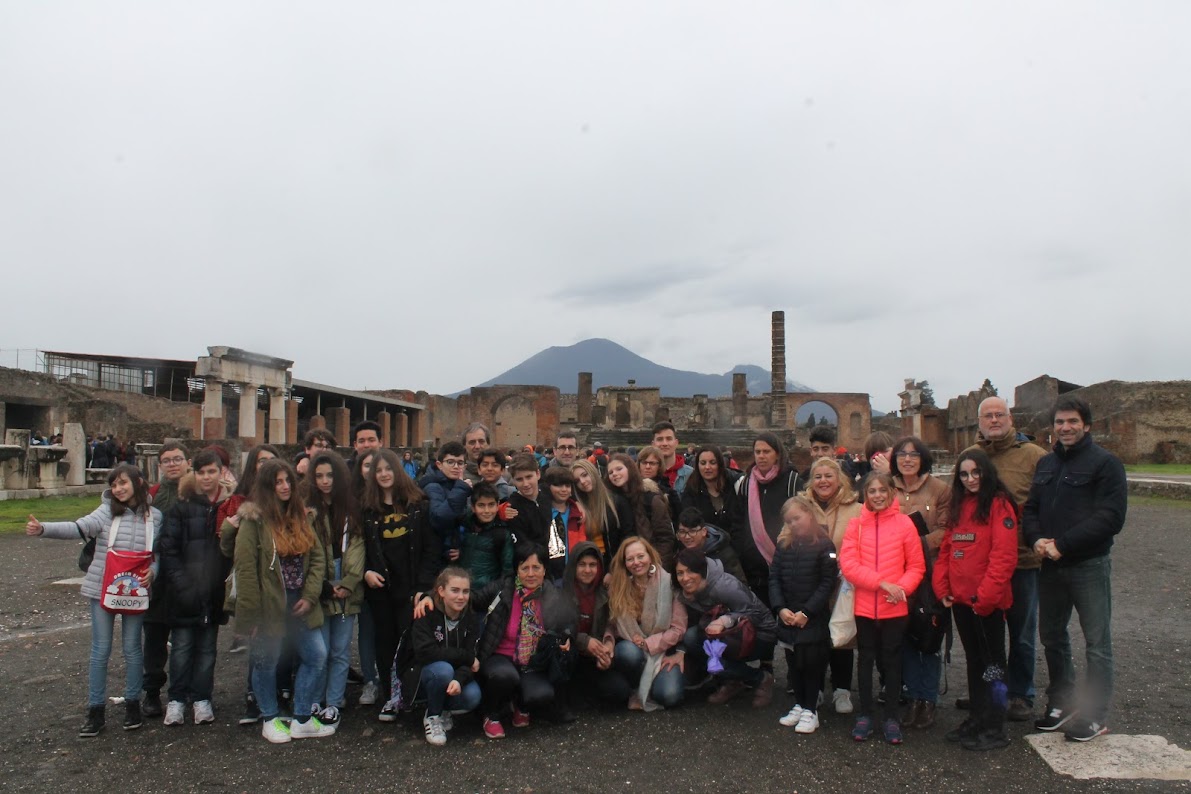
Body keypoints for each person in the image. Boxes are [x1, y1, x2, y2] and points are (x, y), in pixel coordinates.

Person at [27, 464, 163, 737]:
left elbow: (156, 553)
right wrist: (44, 528)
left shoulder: (155, 517)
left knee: (133, 648)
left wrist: (154, 571)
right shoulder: (105, 512)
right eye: (114, 485)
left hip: (135, 590)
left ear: (138, 482)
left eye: (123, 483)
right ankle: (95, 709)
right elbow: (78, 528)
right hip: (102, 587)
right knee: (101, 650)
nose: (118, 489)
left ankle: (133, 704)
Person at [1023, 395, 1127, 742]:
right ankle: (1062, 702)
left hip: (1088, 565)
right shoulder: (1046, 464)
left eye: (1072, 421)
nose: (1065, 428)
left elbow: (1110, 518)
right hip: (1051, 566)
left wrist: (1063, 544)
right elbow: (1032, 509)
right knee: (1052, 637)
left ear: (1087, 425)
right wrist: (1036, 539)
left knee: (1097, 643)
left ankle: (1095, 715)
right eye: (1059, 422)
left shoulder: (1106, 464)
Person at [228, 459, 332, 743]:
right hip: (268, 605)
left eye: (288, 481)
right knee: (266, 660)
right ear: (267, 486)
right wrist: (251, 616)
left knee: (316, 655)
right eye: (278, 482)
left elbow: (317, 558)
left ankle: (302, 719)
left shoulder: (301, 516)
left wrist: (310, 596)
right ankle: (270, 718)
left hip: (299, 601)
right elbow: (246, 570)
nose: (285, 487)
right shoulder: (254, 521)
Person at [963, 395, 1047, 721]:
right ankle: (988, 691)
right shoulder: (971, 456)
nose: (994, 420)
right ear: (979, 422)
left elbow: (1046, 504)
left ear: (1010, 419)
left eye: (1000, 414)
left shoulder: (1034, 456)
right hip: (981, 564)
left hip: (1022, 560)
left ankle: (1020, 693)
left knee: (1021, 632)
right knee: (984, 633)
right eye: (988, 416)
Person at [934, 449, 1018, 751]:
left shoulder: (999, 505)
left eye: (975, 473)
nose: (970, 479)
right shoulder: (961, 505)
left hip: (985, 603)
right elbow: (948, 548)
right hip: (961, 600)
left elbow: (1003, 556)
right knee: (974, 661)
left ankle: (995, 725)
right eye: (964, 474)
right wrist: (942, 586)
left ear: (986, 472)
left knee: (992, 665)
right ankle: (978, 717)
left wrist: (985, 598)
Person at [838, 471, 925, 745]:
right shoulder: (856, 525)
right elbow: (848, 564)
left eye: (882, 490)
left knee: (892, 661)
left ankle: (891, 716)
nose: (877, 496)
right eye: (872, 491)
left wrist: (901, 589)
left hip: (894, 606)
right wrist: (881, 583)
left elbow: (916, 566)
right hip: (864, 606)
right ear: (865, 495)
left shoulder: (905, 524)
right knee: (865, 660)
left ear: (892, 493)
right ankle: (865, 713)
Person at [360, 449, 440, 722]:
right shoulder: (367, 509)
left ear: (398, 471)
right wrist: (365, 572)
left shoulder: (417, 504)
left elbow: (430, 548)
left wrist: (423, 587)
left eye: (388, 469)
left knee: (411, 643)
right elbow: (360, 548)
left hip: (411, 588)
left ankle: (411, 693)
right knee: (385, 643)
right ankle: (390, 697)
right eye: (379, 470)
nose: (384, 474)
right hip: (381, 588)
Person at [472, 543, 578, 739]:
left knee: (541, 694)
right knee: (504, 676)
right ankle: (491, 714)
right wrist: (430, 597)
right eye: (524, 568)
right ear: (516, 570)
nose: (530, 574)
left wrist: (567, 635)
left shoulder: (552, 594)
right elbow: (471, 599)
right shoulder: (503, 588)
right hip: (500, 655)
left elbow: (569, 620)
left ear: (544, 570)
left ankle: (520, 704)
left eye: (536, 567)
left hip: (533, 660)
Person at [158, 449, 232, 727]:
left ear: (221, 472)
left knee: (207, 650)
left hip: (213, 591)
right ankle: (176, 699)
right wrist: (182, 584)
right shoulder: (181, 507)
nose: (207, 477)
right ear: (194, 474)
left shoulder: (229, 506)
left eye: (212, 471)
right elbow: (169, 549)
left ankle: (202, 697)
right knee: (181, 648)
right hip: (185, 591)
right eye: (201, 473)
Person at [890, 435, 951, 730]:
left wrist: (913, 544)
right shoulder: (887, 487)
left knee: (929, 636)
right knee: (905, 637)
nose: (907, 459)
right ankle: (913, 696)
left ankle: (928, 699)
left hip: (930, 573)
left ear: (923, 459)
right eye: (902, 454)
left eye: (913, 455)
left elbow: (946, 529)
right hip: (896, 574)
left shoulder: (940, 489)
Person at [304, 451, 365, 728]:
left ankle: (334, 701)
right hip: (319, 580)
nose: (325, 481)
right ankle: (316, 699)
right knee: (320, 649)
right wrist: (321, 586)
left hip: (347, 576)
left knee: (340, 649)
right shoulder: (307, 510)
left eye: (330, 475)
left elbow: (359, 547)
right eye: (319, 476)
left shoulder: (352, 508)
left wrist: (350, 582)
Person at [673, 547, 777, 708]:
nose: (685, 578)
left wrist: (725, 620)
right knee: (691, 638)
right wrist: (680, 650)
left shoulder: (724, 585)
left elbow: (755, 613)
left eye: (690, 571)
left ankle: (761, 678)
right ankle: (733, 681)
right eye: (680, 573)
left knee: (714, 662)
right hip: (727, 636)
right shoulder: (685, 592)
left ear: (701, 570)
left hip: (760, 634)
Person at [771, 496, 838, 734]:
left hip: (812, 617)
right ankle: (799, 704)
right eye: (789, 521)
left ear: (809, 514)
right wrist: (780, 608)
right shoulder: (783, 545)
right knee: (793, 664)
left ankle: (811, 710)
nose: (793, 524)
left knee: (811, 664)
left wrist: (807, 612)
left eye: (797, 518)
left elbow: (827, 583)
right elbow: (774, 578)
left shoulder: (825, 545)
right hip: (788, 616)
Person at [803, 457, 862, 715]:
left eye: (829, 476)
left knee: (843, 635)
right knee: (814, 637)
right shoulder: (801, 506)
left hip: (843, 582)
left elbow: (865, 542)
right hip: (810, 582)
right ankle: (815, 688)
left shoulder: (856, 509)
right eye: (818, 476)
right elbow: (784, 538)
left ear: (840, 479)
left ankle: (842, 689)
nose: (823, 481)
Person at [401, 567, 483, 746]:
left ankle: (444, 708)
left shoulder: (470, 618)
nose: (461, 597)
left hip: (453, 674)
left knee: (473, 696)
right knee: (443, 670)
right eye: (455, 590)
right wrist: (466, 658)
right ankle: (432, 716)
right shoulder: (426, 612)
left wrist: (459, 679)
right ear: (441, 591)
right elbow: (426, 652)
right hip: (423, 674)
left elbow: (472, 655)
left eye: (465, 591)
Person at [606, 538, 687, 711]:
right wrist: (608, 641)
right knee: (627, 652)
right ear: (624, 563)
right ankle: (636, 687)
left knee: (669, 695)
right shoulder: (617, 587)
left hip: (664, 651)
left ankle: (652, 686)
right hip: (633, 651)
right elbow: (611, 624)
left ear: (650, 556)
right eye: (630, 559)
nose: (636, 562)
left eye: (640, 556)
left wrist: (649, 643)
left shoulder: (669, 582)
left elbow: (679, 628)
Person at [141, 441, 190, 718]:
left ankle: (182, 694)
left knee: (186, 641)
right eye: (167, 460)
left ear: (188, 463)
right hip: (157, 579)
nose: (173, 464)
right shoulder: (152, 495)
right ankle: (151, 692)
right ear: (160, 465)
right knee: (154, 639)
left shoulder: (197, 493)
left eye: (177, 459)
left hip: (187, 576)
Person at [733, 433, 801, 618]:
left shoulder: (792, 481)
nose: (761, 456)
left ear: (777, 454)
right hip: (753, 566)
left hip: (785, 563)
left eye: (766, 451)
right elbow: (738, 520)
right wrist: (743, 551)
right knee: (759, 620)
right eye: (758, 452)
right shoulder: (746, 483)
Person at [561, 541, 622, 705]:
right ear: (573, 566)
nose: (587, 570)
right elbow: (556, 627)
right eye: (582, 564)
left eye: (592, 565)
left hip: (594, 655)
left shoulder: (604, 593)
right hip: (571, 653)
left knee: (619, 691)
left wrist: (607, 647)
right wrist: (584, 641)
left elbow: (611, 624)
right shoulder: (561, 590)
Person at [604, 453, 676, 570]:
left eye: (619, 469)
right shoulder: (612, 503)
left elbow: (665, 538)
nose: (614, 474)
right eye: (611, 472)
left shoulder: (651, 499)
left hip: (652, 565)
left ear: (630, 468)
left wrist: (658, 567)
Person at [422, 442, 474, 565]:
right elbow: (440, 518)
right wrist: (461, 489)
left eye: (460, 463)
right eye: (450, 462)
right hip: (435, 557)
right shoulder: (433, 486)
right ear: (439, 465)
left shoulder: (458, 486)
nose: (456, 466)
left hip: (451, 553)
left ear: (464, 467)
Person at [457, 483, 514, 589]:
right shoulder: (464, 524)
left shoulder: (502, 533)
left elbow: (508, 571)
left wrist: (488, 593)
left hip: (487, 592)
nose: (487, 511)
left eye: (491, 505)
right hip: (460, 588)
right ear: (473, 507)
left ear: (497, 505)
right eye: (481, 505)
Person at [680, 445, 741, 536]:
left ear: (720, 464)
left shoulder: (734, 486)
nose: (707, 467)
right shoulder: (691, 492)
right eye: (703, 463)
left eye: (712, 462)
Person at [570, 459, 623, 563]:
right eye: (577, 481)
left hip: (614, 561)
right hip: (589, 562)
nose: (582, 481)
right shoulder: (577, 507)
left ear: (593, 472)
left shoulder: (616, 501)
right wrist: (574, 502)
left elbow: (627, 534)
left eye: (585, 475)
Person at [675, 507, 746, 584]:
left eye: (692, 531)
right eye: (682, 532)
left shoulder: (723, 553)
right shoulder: (681, 551)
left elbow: (739, 584)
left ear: (704, 531)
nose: (687, 537)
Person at [540, 467, 586, 583]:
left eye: (567, 486)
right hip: (550, 575)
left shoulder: (577, 513)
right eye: (558, 485)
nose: (564, 489)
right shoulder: (542, 511)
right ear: (548, 487)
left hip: (574, 572)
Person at [636, 445, 682, 527]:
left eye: (652, 463)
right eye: (644, 462)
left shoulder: (669, 493)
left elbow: (677, 520)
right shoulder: (630, 488)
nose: (647, 467)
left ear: (659, 465)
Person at [651, 421, 694, 495]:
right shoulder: (644, 474)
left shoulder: (691, 474)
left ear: (676, 443)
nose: (664, 443)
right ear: (653, 444)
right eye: (660, 439)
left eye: (669, 439)